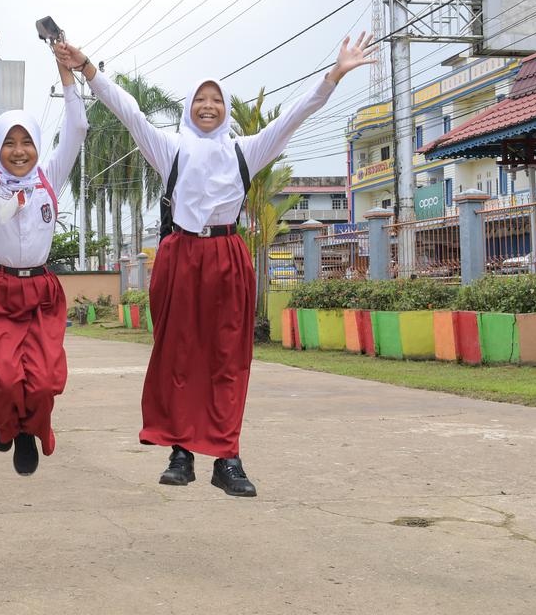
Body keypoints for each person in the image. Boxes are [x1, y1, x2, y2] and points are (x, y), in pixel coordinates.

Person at [53, 32, 377, 496]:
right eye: (200, 99)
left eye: (216, 99)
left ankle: (227, 458)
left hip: (227, 258)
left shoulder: (246, 150)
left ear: (225, 108)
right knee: (178, 355)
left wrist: (334, 74)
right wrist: (86, 67)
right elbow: (126, 109)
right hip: (182, 255)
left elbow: (295, 116)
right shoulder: (171, 148)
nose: (209, 106)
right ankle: (180, 452)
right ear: (189, 107)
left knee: (228, 359)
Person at [0, 18, 87, 476]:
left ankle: (31, 432)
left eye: (26, 141)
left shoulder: (48, 179)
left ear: (37, 147)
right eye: (9, 143)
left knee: (47, 380)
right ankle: (4, 422)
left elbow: (77, 125)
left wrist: (66, 72)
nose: (18, 150)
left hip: (41, 293)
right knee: (8, 379)